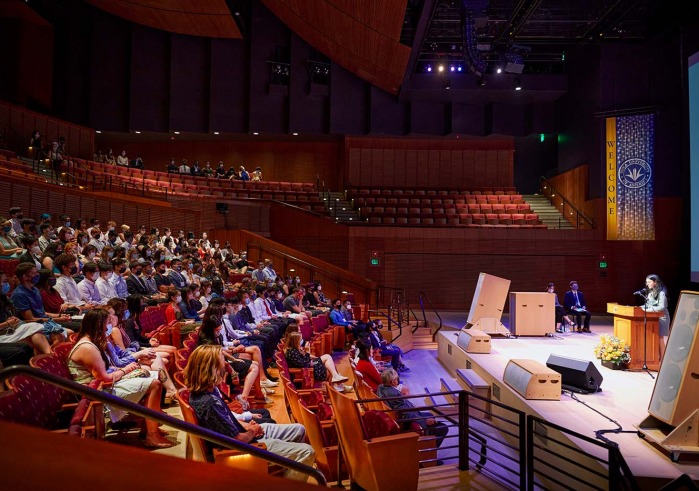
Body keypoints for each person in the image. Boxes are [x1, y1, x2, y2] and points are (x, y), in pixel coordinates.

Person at [184, 345, 315, 480]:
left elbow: (225, 421)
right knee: (307, 452)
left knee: (299, 429)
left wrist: (246, 426)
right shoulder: (208, 403)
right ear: (210, 369)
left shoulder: (205, 392)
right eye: (221, 363)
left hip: (242, 434)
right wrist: (251, 431)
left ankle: (284, 469)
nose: (225, 367)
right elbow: (237, 440)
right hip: (242, 450)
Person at [67, 308, 173, 448]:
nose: (108, 326)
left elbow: (106, 369)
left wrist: (122, 370)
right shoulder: (87, 347)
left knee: (154, 374)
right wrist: (124, 370)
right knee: (155, 384)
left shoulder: (94, 341)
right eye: (107, 323)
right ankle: (151, 436)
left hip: (102, 386)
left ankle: (148, 428)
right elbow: (105, 379)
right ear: (99, 325)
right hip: (97, 396)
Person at [376, 368, 449, 448]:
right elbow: (405, 415)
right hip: (409, 422)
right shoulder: (394, 394)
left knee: (430, 414)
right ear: (393, 382)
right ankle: (429, 452)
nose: (398, 380)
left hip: (407, 415)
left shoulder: (381, 388)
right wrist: (425, 420)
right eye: (397, 379)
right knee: (443, 428)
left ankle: (429, 445)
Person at [0, 271, 51, 355]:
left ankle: (45, 359)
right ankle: (50, 355)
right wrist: (8, 323)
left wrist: (12, 320)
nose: (8, 284)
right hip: (3, 334)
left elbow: (9, 317)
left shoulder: (4, 298)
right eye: (4, 282)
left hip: (9, 330)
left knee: (33, 333)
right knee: (33, 330)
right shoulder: (18, 293)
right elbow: (28, 318)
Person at [641, 274, 670, 363]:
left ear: (655, 282)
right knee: (655, 339)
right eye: (646, 282)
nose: (647, 284)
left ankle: (663, 360)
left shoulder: (661, 293)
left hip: (662, 318)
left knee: (660, 338)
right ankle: (657, 359)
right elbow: (648, 305)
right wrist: (639, 308)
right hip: (653, 318)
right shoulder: (651, 292)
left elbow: (662, 307)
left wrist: (648, 310)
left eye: (649, 282)